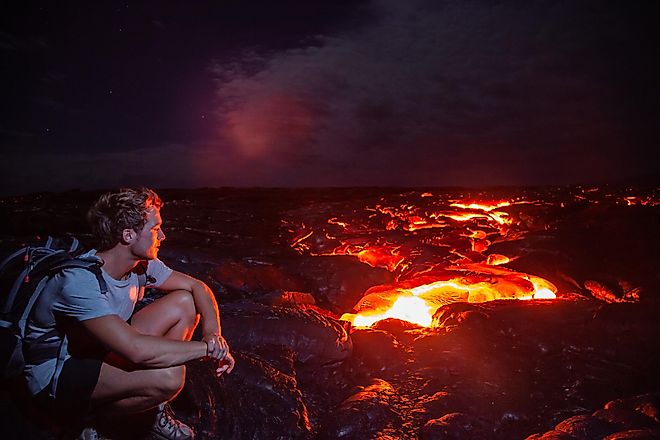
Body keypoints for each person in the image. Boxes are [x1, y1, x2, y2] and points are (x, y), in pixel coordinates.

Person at [23, 188, 234, 440]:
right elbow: (135, 350)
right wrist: (207, 350)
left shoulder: (140, 266)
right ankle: (87, 423)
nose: (163, 236)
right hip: (57, 375)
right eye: (155, 229)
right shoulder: (78, 281)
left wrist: (214, 335)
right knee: (170, 377)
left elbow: (197, 287)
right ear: (128, 235)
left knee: (184, 302)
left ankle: (152, 406)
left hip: (98, 347)